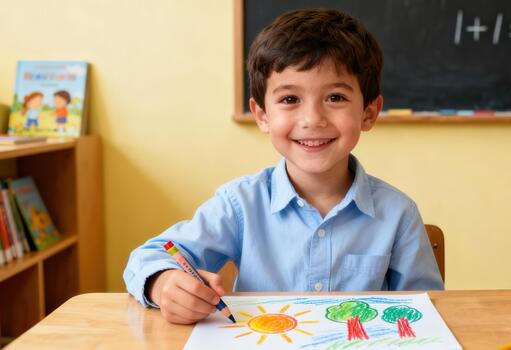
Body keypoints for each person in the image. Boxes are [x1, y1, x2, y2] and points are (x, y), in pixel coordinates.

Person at [124, 8, 443, 325]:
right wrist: (163, 283)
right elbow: (148, 256)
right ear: (262, 114)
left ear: (369, 113)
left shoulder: (398, 214)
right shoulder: (239, 205)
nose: (312, 119)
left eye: (335, 97)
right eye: (290, 99)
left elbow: (428, 312)